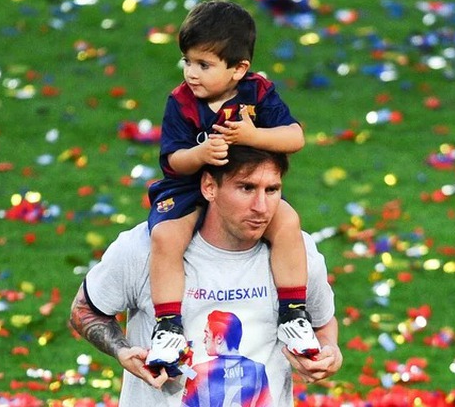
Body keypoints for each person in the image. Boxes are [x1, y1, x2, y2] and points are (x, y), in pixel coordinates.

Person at [70, 145, 342, 406]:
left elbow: (321, 323)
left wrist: (329, 353)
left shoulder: (296, 253)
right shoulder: (146, 248)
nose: (262, 206)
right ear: (210, 187)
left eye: (272, 190)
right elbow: (85, 310)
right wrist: (122, 351)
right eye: (246, 188)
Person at [146, 0, 316, 374]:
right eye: (188, 61)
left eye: (204, 65)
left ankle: (292, 315)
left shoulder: (258, 94)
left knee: (287, 222)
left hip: (243, 188)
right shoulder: (181, 102)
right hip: (190, 187)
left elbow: (295, 138)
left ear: (239, 69)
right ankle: (168, 326)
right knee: (166, 237)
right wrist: (201, 152)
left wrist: (255, 135)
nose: (192, 73)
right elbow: (173, 159)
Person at [181, 310, 272, 406]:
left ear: (219, 338)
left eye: (207, 335)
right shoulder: (258, 369)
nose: (204, 340)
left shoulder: (198, 371)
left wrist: (180, 364)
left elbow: (180, 369)